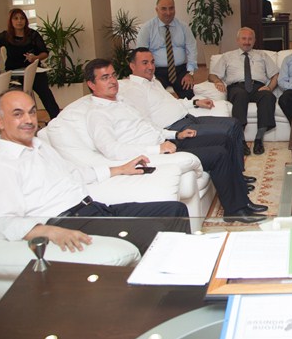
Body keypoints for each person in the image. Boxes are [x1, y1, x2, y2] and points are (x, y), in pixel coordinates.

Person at [0, 89, 190, 254]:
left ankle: (182, 277)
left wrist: (120, 169)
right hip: (68, 222)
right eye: (18, 114)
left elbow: (75, 174)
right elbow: (4, 222)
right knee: (153, 233)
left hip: (95, 209)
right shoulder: (2, 164)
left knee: (175, 211)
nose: (28, 120)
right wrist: (50, 231)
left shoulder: (39, 146)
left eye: (32, 112)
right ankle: (171, 286)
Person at [83, 59, 267, 220]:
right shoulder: (97, 114)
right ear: (91, 84)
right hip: (154, 154)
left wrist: (176, 135)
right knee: (218, 153)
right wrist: (157, 149)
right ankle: (235, 210)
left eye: (113, 75)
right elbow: (112, 150)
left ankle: (242, 198)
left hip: (167, 142)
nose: (112, 81)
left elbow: (150, 126)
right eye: (105, 78)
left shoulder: (121, 102)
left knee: (224, 139)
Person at [119, 47, 257, 191]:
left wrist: (195, 102)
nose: (150, 67)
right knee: (227, 132)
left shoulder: (154, 81)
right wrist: (173, 135)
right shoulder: (133, 89)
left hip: (189, 118)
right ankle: (236, 180)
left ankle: (237, 174)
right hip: (178, 128)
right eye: (145, 63)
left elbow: (172, 102)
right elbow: (145, 123)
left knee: (234, 123)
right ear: (132, 66)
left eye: (152, 62)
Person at [208, 27, 279, 155]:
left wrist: (269, 87)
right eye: (244, 39)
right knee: (240, 95)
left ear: (254, 40)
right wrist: (217, 81)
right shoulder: (227, 56)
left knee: (268, 96)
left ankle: (259, 138)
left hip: (258, 87)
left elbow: (275, 75)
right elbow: (212, 75)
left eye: (250, 39)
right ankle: (240, 139)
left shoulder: (262, 55)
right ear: (237, 40)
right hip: (237, 87)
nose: (247, 42)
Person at [0, 8, 61, 118]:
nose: (19, 21)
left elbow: (45, 53)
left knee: (45, 94)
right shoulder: (5, 36)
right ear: (10, 21)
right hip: (14, 73)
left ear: (26, 20)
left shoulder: (33, 35)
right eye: (16, 18)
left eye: (22, 18)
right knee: (13, 97)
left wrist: (36, 58)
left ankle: (56, 118)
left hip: (33, 72)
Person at [135, 0, 198, 99]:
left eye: (171, 8)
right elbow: (141, 54)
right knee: (154, 97)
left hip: (180, 70)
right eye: (164, 9)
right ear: (157, 10)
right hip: (156, 71)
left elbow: (192, 49)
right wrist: (149, 74)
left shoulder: (183, 27)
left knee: (189, 96)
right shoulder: (147, 28)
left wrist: (190, 73)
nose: (168, 13)